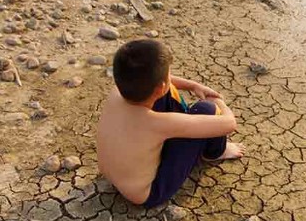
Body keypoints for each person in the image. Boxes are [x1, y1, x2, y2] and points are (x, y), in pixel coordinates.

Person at [97, 39, 244, 207]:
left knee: (163, 93)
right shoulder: (158, 124)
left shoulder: (117, 92)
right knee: (206, 109)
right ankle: (216, 152)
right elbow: (229, 123)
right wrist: (219, 101)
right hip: (149, 193)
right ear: (160, 86)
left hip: (114, 176)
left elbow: (161, 82)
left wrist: (193, 86)